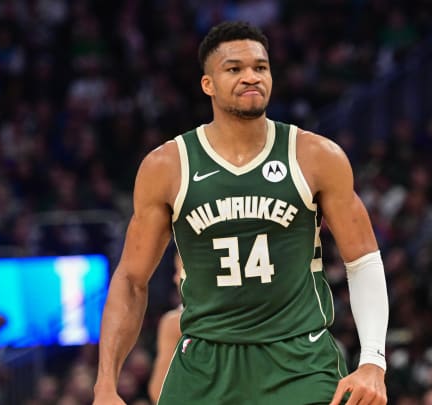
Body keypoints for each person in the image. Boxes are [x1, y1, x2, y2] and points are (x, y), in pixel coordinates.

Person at [93, 21, 389, 405]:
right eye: (234, 69)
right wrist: (104, 385)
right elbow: (132, 280)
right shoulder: (167, 165)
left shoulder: (315, 156)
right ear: (208, 84)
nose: (251, 77)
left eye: (260, 68)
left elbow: (363, 260)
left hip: (298, 359)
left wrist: (373, 362)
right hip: (204, 363)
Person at [147, 253, 183, 404]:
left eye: (180, 271)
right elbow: (158, 392)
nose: (175, 278)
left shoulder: (176, 323)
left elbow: (158, 392)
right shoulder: (174, 323)